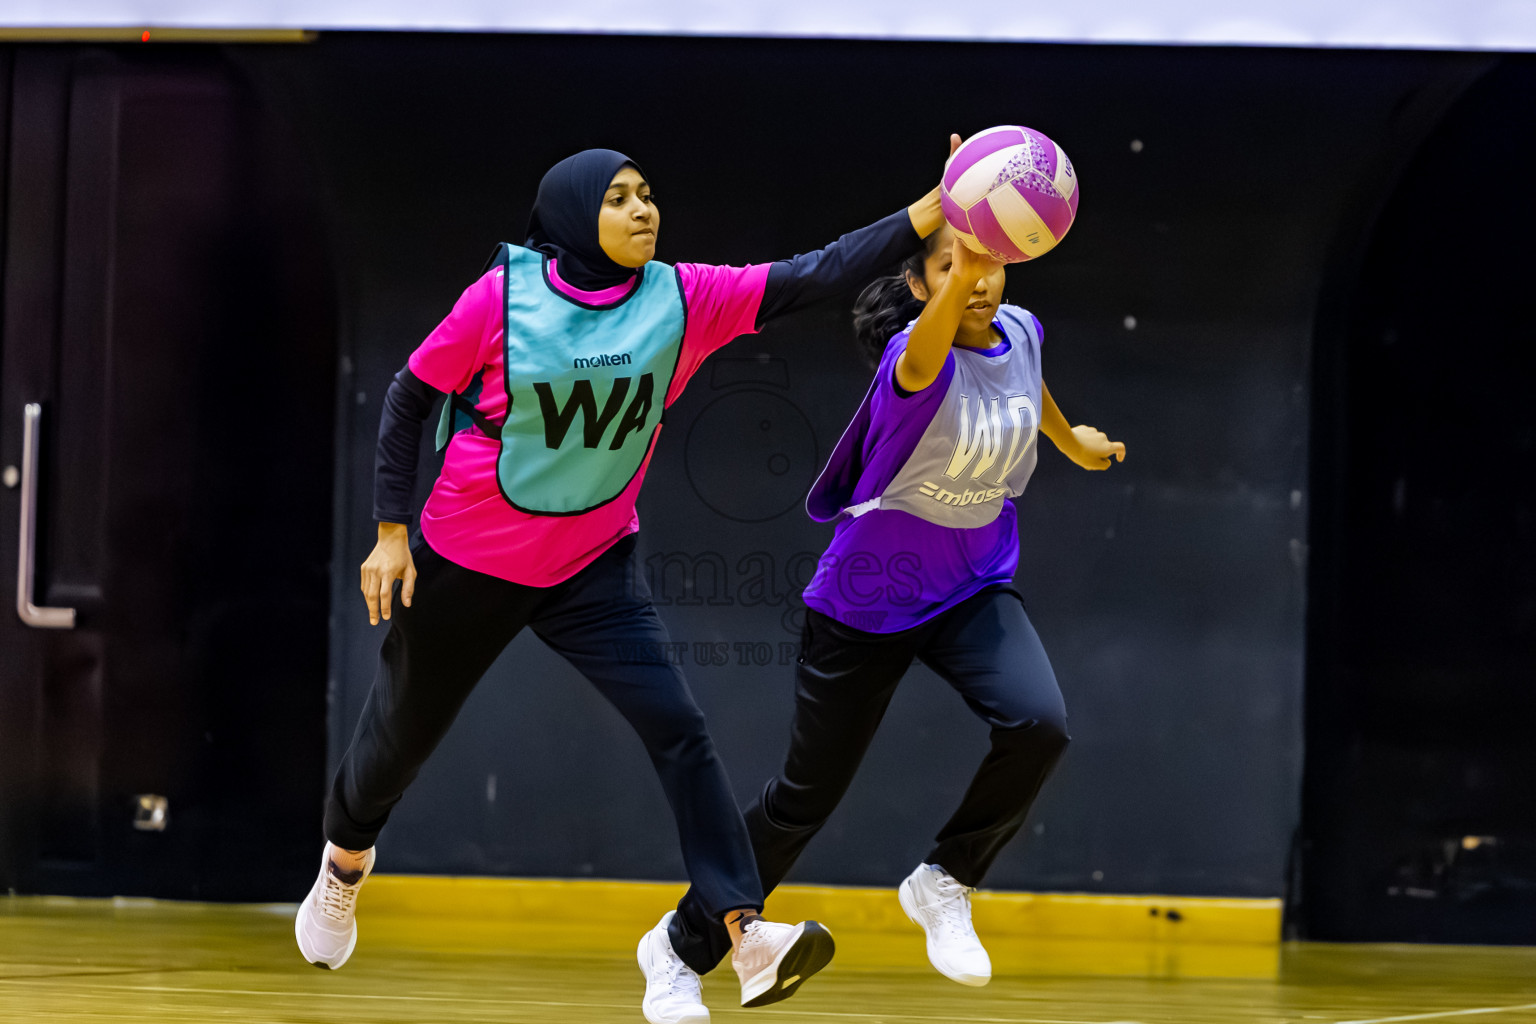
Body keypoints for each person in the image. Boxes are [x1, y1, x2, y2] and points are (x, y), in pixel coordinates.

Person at [292, 145, 959, 1021]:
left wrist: (936, 205)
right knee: (396, 746)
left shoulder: (682, 298)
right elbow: (411, 394)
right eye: (618, 199)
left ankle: (744, 932)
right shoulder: (502, 299)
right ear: (575, 216)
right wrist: (389, 534)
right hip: (470, 560)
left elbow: (819, 272)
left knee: (680, 729)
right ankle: (343, 866)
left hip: (591, 564)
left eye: (648, 194)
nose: (644, 210)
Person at [656, 225, 1125, 1001]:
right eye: (954, 266)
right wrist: (962, 201)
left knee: (1040, 724)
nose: (977, 280)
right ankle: (680, 946)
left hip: (971, 584)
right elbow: (933, 352)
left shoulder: (1022, 329)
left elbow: (1026, 386)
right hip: (867, 602)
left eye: (990, 263)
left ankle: (944, 880)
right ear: (919, 285)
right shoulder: (914, 362)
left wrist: (1071, 442)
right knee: (803, 801)